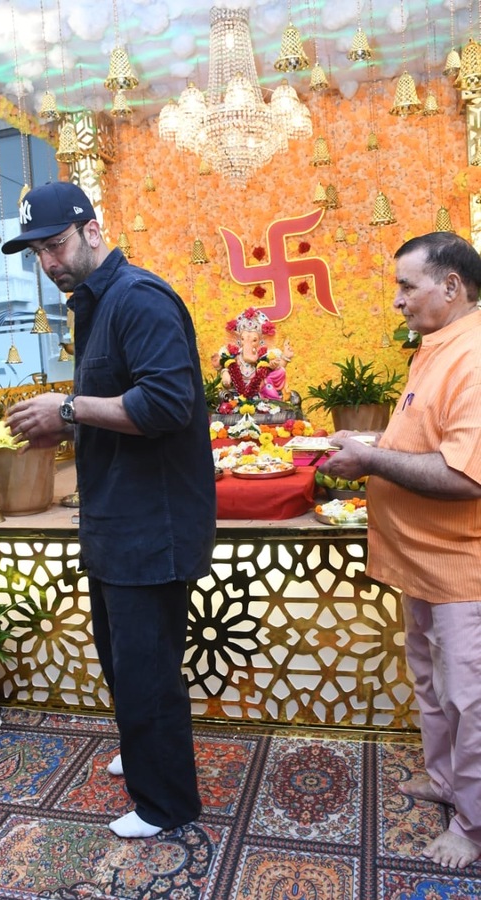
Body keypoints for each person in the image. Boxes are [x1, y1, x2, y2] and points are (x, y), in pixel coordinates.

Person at [1, 181, 216, 839]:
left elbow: (165, 404)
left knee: (147, 667)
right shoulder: (95, 304)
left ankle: (165, 803)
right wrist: (68, 424)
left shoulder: (138, 298)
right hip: (116, 517)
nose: (49, 263)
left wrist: (68, 409)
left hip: (152, 522)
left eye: (56, 245)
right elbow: (114, 405)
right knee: (123, 658)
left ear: (92, 231)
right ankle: (146, 752)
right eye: (37, 253)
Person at [318, 231, 481, 870]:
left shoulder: (474, 355)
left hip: (461, 566)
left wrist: (370, 460)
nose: (397, 300)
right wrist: (372, 446)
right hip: (421, 561)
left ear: (452, 286)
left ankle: (472, 826)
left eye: (406, 286)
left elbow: (464, 475)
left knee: (470, 700)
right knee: (433, 686)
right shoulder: (434, 348)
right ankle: (446, 780)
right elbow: (423, 439)